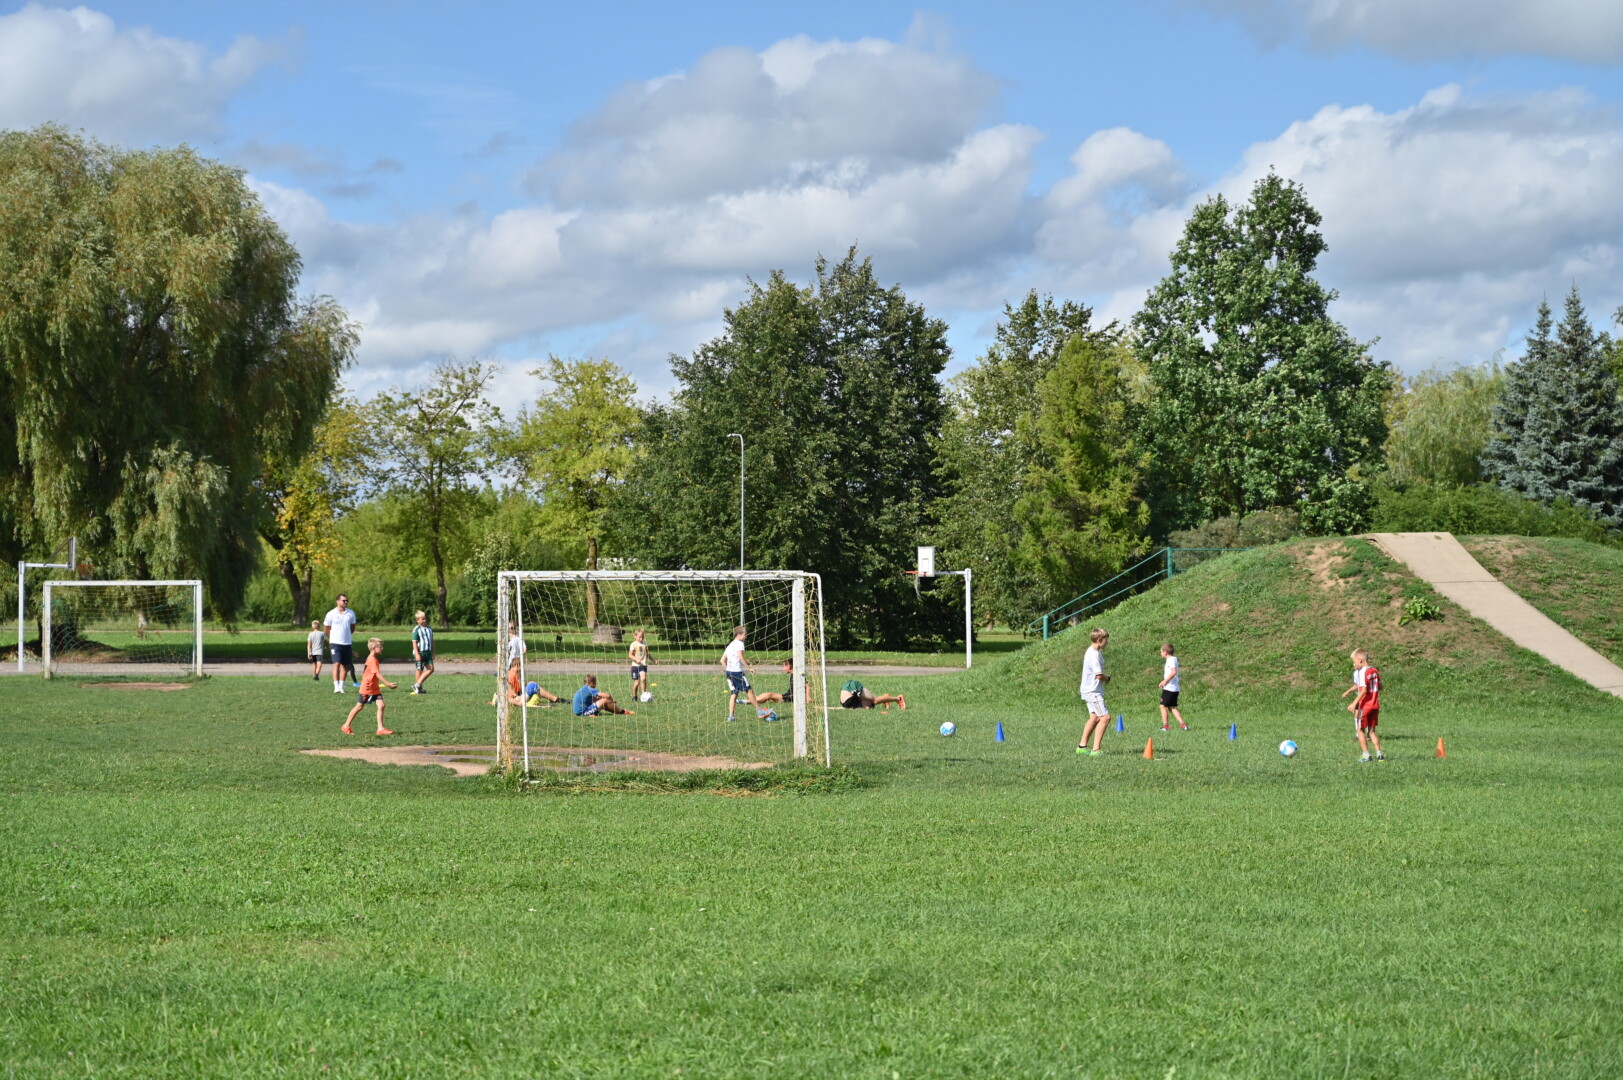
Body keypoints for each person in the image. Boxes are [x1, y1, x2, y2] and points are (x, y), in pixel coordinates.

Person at [342, 637, 396, 736]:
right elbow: (377, 674)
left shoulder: (373, 658)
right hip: (368, 688)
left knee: (381, 705)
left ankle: (380, 729)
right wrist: (387, 684)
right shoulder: (372, 659)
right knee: (359, 706)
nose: (382, 648)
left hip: (375, 687)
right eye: (380, 646)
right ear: (373, 648)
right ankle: (346, 726)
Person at [721, 625, 772, 722]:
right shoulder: (740, 643)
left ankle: (731, 716)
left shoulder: (730, 645)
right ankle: (760, 711)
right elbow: (740, 656)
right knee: (749, 691)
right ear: (739, 635)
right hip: (737, 673)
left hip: (729, 673)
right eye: (745, 634)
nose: (746, 637)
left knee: (734, 693)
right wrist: (749, 668)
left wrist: (728, 669)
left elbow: (722, 660)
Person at [503, 621, 559, 707]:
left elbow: (524, 648)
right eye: (511, 628)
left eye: (514, 627)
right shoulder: (507, 640)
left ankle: (554, 699)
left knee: (523, 683)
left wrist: (520, 658)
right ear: (507, 629)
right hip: (512, 665)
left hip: (516, 663)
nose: (513, 630)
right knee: (516, 682)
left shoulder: (518, 638)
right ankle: (553, 699)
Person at [1346, 648, 1385, 762]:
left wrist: (1354, 703)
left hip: (1365, 706)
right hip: (1375, 705)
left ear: (1360, 660)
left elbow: (1363, 690)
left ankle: (1366, 755)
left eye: (1354, 661)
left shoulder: (1363, 672)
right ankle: (1380, 755)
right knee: (1372, 731)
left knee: (1360, 730)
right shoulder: (1374, 670)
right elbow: (1380, 686)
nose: (1354, 663)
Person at [1076, 627, 1111, 756]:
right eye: (1106, 640)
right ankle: (1096, 750)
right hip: (1093, 691)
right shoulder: (1094, 655)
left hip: (1090, 690)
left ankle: (1082, 746)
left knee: (1095, 717)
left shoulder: (1094, 650)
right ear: (1099, 640)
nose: (1107, 642)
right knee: (1105, 718)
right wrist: (1107, 678)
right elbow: (1098, 675)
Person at [323, 594, 359, 694]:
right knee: (336, 664)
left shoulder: (350, 613)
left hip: (347, 643)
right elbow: (326, 629)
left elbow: (352, 628)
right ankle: (336, 686)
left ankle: (341, 686)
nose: (346, 602)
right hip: (335, 643)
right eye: (344, 600)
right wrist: (334, 637)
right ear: (338, 601)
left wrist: (346, 636)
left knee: (345, 666)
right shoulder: (331, 613)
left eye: (347, 600)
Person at [1158, 642, 1187, 731]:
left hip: (1169, 687)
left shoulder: (1170, 660)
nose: (1161, 653)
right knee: (1171, 707)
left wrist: (1164, 681)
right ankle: (1183, 725)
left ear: (1165, 652)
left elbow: (1173, 672)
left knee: (1162, 706)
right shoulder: (1174, 659)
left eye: (1161, 651)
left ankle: (1166, 727)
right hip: (1174, 688)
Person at [410, 610, 435, 695]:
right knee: (419, 670)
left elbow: (432, 640)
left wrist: (433, 652)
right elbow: (414, 642)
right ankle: (418, 688)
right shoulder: (416, 630)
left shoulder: (429, 629)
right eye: (422, 619)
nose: (424, 620)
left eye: (425, 618)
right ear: (418, 620)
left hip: (428, 652)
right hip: (420, 652)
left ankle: (417, 685)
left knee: (431, 669)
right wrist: (417, 653)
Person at [838, 679, 905, 710]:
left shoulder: (852, 704)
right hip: (848, 692)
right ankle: (885, 698)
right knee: (869, 706)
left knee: (875, 700)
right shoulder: (853, 705)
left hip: (851, 688)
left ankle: (899, 699)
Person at [628, 628, 651, 700]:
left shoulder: (645, 644)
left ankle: (644, 695)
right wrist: (636, 659)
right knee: (637, 683)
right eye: (640, 637)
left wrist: (653, 660)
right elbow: (630, 655)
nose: (641, 638)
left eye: (642, 637)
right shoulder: (633, 644)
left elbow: (647, 654)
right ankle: (634, 696)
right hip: (635, 666)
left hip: (643, 665)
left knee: (643, 679)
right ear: (635, 636)